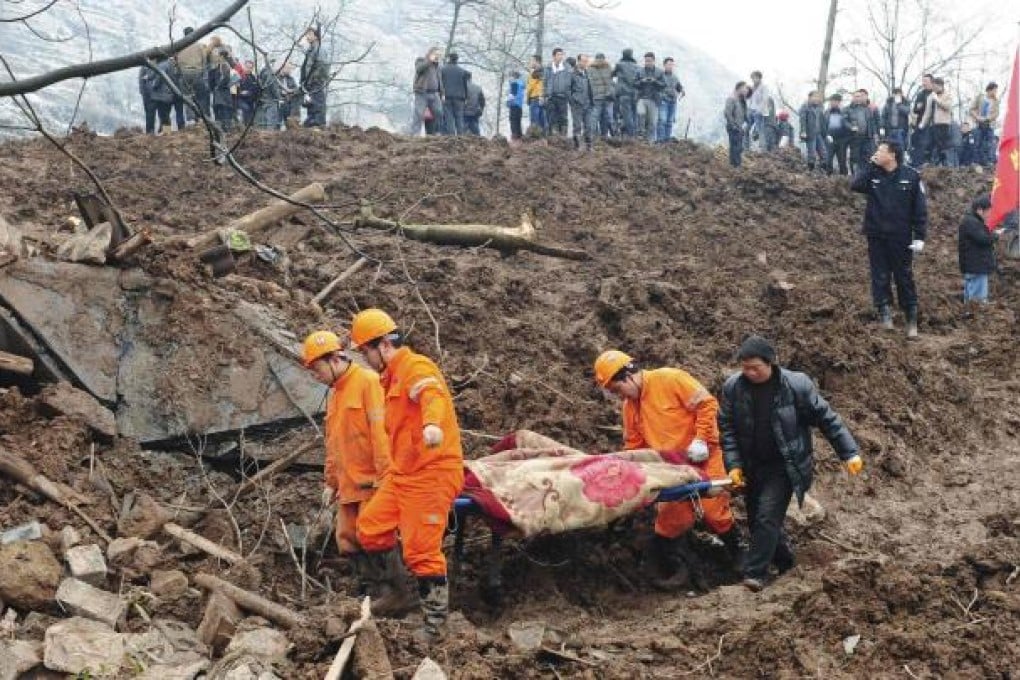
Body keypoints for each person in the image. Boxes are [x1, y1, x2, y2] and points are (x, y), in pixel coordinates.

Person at [351, 309, 464, 643]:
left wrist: (432, 425)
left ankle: (434, 625)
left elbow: (432, 395)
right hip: (404, 474)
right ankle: (403, 594)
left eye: (366, 353)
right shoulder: (391, 379)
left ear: (384, 345)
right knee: (370, 529)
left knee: (422, 551)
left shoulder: (415, 367)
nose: (365, 360)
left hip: (432, 473)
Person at [719, 336, 862, 592]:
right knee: (757, 520)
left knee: (766, 516)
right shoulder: (733, 387)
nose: (749, 373)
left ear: (771, 363)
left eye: (755, 367)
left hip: (785, 465)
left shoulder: (796, 385)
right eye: (745, 367)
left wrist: (849, 452)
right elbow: (727, 429)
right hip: (753, 465)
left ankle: (755, 575)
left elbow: (827, 419)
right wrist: (733, 464)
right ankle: (786, 562)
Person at [594, 350, 740, 591]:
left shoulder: (670, 379)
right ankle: (675, 569)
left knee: (714, 513)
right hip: (673, 470)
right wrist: (634, 473)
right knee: (669, 522)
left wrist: (702, 439)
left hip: (704, 458)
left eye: (618, 389)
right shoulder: (630, 408)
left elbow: (707, 404)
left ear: (628, 375)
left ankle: (739, 556)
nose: (619, 396)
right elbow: (634, 446)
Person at [300, 331, 392, 598]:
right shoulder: (336, 395)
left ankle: (390, 594)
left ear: (334, 359)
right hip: (349, 484)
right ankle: (367, 590)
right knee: (348, 540)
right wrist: (331, 482)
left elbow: (381, 434)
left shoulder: (368, 382)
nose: (316, 376)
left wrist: (386, 478)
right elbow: (334, 443)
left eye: (317, 369)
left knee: (375, 537)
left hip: (373, 481)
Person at [851, 139, 928, 338]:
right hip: (876, 235)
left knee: (903, 276)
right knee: (880, 275)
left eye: (881, 150)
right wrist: (870, 165)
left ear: (892, 154)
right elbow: (855, 185)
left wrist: (920, 236)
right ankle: (885, 313)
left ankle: (911, 318)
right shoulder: (873, 174)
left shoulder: (911, 176)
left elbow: (919, 209)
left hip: (900, 237)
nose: (877, 153)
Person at [958, 194, 1003, 316]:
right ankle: (976, 321)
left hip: (973, 266)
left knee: (971, 297)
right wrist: (995, 235)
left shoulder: (972, 222)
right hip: (976, 267)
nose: (989, 214)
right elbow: (983, 240)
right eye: (988, 211)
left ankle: (970, 317)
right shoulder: (971, 222)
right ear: (979, 210)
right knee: (978, 300)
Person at [176, 27, 209, 120]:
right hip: (197, 72)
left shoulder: (179, 46)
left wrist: (178, 72)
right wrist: (204, 73)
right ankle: (200, 118)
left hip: (184, 74)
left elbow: (175, 61)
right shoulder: (200, 46)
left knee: (187, 97)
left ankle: (190, 118)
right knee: (200, 96)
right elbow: (204, 60)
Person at [300, 27, 329, 127]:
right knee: (311, 103)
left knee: (318, 101)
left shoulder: (319, 49)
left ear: (316, 36)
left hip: (316, 81)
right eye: (306, 34)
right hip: (309, 82)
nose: (307, 36)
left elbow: (322, 66)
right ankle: (312, 120)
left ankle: (318, 122)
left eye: (309, 34)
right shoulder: (311, 50)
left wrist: (314, 78)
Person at [923, 78, 956, 166]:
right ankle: (929, 162)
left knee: (942, 144)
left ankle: (944, 162)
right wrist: (923, 123)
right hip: (932, 123)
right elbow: (928, 111)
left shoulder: (948, 95)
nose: (933, 88)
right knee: (929, 143)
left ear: (940, 86)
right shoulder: (930, 96)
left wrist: (937, 100)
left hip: (943, 123)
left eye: (935, 86)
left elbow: (948, 107)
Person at [412, 47, 444, 136]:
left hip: (434, 93)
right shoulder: (421, 60)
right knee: (419, 113)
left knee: (439, 112)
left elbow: (439, 80)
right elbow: (419, 69)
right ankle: (415, 134)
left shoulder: (437, 66)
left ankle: (436, 133)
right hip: (422, 92)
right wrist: (429, 61)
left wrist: (442, 93)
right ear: (430, 53)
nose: (437, 56)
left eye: (439, 55)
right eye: (436, 54)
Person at [634, 52, 665, 143]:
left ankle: (650, 141)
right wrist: (641, 81)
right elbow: (634, 84)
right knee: (640, 113)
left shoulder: (659, 72)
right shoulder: (639, 71)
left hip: (654, 99)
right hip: (641, 98)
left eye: (649, 61)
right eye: (646, 61)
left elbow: (663, 85)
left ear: (654, 61)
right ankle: (640, 135)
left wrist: (655, 81)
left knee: (652, 122)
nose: (648, 63)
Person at [207, 37, 236, 131]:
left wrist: (217, 86)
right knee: (223, 108)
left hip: (221, 90)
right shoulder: (222, 65)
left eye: (218, 55)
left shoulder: (223, 65)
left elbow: (225, 78)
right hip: (222, 91)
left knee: (222, 108)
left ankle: (224, 127)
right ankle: (224, 127)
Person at [968, 82, 1000, 167]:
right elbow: (971, 109)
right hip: (978, 123)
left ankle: (990, 161)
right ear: (990, 90)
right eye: (994, 90)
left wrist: (988, 118)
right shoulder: (980, 97)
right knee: (977, 142)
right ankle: (976, 161)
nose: (996, 92)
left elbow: (996, 113)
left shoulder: (996, 101)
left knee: (990, 143)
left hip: (989, 124)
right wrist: (977, 117)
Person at [543, 48, 572, 137]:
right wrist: (543, 95)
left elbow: (570, 83)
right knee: (552, 118)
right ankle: (555, 136)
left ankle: (563, 136)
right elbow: (544, 83)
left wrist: (569, 95)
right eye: (559, 54)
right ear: (554, 56)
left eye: (562, 54)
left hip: (563, 96)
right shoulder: (548, 68)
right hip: (551, 96)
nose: (561, 56)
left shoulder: (567, 68)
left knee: (563, 117)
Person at [440, 53, 470, 135]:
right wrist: (466, 97)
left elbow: (440, 83)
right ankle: (461, 135)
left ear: (449, 58)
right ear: (457, 59)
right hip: (460, 98)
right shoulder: (462, 71)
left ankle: (451, 136)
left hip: (447, 97)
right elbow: (466, 84)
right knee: (459, 117)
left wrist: (440, 95)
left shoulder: (443, 69)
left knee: (449, 117)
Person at [845, 89, 874, 174]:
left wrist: (874, 133)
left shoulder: (866, 109)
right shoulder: (847, 109)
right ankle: (854, 175)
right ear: (853, 98)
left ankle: (865, 174)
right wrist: (851, 127)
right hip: (854, 137)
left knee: (867, 156)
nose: (858, 98)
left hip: (866, 137)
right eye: (856, 96)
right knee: (855, 157)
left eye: (860, 96)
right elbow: (844, 121)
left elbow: (871, 122)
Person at [569, 54, 595, 150]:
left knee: (589, 125)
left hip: (588, 103)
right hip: (577, 104)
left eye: (586, 61)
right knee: (577, 125)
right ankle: (578, 145)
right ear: (578, 61)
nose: (585, 63)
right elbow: (568, 90)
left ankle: (589, 145)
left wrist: (592, 101)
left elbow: (590, 88)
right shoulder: (572, 74)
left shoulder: (588, 74)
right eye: (583, 61)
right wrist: (573, 100)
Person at [612, 48, 639, 137]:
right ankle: (634, 133)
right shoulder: (637, 67)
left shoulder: (619, 65)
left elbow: (612, 74)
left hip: (623, 93)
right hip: (635, 94)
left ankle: (631, 135)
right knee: (634, 114)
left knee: (626, 115)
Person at [910, 73, 935, 166]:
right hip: (921, 124)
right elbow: (916, 109)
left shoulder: (935, 93)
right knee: (919, 144)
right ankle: (917, 165)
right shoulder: (921, 94)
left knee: (929, 146)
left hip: (933, 124)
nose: (923, 83)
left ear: (932, 82)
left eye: (926, 81)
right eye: (923, 81)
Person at [657, 57, 684, 142]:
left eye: (672, 65)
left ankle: (667, 140)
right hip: (663, 101)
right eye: (669, 64)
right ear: (664, 65)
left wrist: (682, 91)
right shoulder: (660, 76)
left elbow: (679, 87)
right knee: (662, 120)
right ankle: (660, 140)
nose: (670, 66)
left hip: (673, 102)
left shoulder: (675, 77)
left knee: (670, 121)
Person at [148, 58, 178, 134]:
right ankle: (165, 131)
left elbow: (159, 79)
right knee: (166, 114)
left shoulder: (162, 65)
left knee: (163, 114)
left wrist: (154, 86)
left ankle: (166, 132)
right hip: (169, 94)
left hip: (162, 95)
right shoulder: (170, 64)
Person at [588, 52, 614, 139]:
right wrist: (609, 93)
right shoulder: (608, 68)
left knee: (595, 116)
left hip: (596, 97)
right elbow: (610, 83)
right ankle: (604, 135)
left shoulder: (590, 69)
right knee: (605, 117)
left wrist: (592, 95)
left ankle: (593, 135)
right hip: (606, 97)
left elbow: (590, 84)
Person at [798, 90, 826, 171]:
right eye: (815, 97)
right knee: (812, 154)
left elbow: (823, 121)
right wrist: (803, 131)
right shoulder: (805, 107)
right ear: (810, 97)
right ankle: (810, 171)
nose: (816, 99)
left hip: (819, 134)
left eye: (818, 97)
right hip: (810, 134)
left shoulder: (820, 107)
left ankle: (823, 170)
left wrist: (826, 133)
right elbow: (802, 120)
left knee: (823, 153)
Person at [724, 81, 749, 168]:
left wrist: (745, 124)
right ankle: (735, 167)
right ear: (740, 88)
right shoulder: (731, 99)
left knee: (738, 148)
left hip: (740, 128)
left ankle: (736, 166)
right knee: (735, 148)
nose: (747, 90)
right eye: (745, 88)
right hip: (734, 128)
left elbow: (745, 115)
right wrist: (733, 126)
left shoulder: (741, 101)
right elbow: (727, 113)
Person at [824, 93, 850, 176]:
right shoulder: (827, 112)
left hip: (842, 140)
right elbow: (823, 125)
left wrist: (846, 139)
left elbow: (848, 125)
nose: (832, 103)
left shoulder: (844, 112)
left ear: (839, 102)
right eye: (831, 101)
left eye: (835, 101)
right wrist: (826, 135)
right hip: (830, 139)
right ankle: (828, 177)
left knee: (842, 161)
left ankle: (844, 178)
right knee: (828, 160)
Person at [747, 71, 772, 150]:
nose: (753, 80)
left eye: (755, 78)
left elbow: (765, 100)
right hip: (751, 110)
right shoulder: (752, 87)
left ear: (759, 78)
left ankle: (763, 149)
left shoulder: (764, 87)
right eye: (752, 78)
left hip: (759, 112)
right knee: (745, 129)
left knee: (760, 130)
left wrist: (759, 110)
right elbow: (750, 99)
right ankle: (745, 148)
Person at [254, 60, 282, 130]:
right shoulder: (271, 75)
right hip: (271, 101)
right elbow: (274, 89)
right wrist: (280, 97)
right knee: (271, 122)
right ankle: (270, 136)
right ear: (272, 65)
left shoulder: (262, 73)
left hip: (263, 100)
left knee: (263, 123)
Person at [235, 60, 259, 126]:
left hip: (250, 100)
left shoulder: (253, 78)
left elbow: (255, 89)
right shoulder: (239, 76)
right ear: (244, 66)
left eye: (250, 68)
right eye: (247, 67)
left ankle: (250, 127)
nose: (249, 69)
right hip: (240, 99)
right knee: (246, 109)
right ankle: (244, 126)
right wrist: (241, 92)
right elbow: (235, 89)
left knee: (252, 113)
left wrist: (250, 93)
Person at [525, 56, 545, 135]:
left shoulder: (534, 73)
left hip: (535, 97)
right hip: (542, 98)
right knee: (542, 121)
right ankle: (542, 139)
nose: (530, 63)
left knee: (534, 121)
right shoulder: (545, 72)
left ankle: (534, 140)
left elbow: (531, 86)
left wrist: (528, 97)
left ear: (537, 62)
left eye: (532, 61)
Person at [277, 62, 299, 128]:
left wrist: (291, 91)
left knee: (289, 123)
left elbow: (296, 89)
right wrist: (281, 92)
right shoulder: (276, 77)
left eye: (291, 69)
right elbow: (273, 89)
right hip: (279, 103)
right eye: (288, 68)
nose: (290, 70)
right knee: (277, 123)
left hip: (288, 103)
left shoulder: (291, 79)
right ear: (283, 68)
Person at [138, 65, 158, 135]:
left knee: (150, 113)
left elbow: (141, 82)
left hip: (148, 94)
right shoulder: (147, 68)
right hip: (150, 95)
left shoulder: (144, 68)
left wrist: (142, 92)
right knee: (151, 114)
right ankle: (150, 131)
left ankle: (150, 131)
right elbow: (142, 81)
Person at [506, 70, 525, 141]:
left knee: (513, 120)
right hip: (519, 106)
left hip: (514, 104)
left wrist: (508, 102)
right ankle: (519, 137)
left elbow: (512, 95)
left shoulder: (514, 83)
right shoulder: (521, 84)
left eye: (511, 76)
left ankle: (514, 136)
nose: (510, 78)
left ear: (514, 76)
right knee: (518, 121)